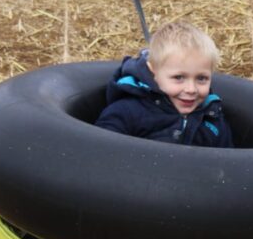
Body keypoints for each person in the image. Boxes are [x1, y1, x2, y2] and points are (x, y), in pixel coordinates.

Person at [95, 21, 233, 147]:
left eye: (201, 78)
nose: (191, 89)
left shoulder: (212, 119)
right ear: (153, 71)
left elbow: (228, 162)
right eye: (179, 77)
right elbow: (101, 150)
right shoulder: (128, 112)